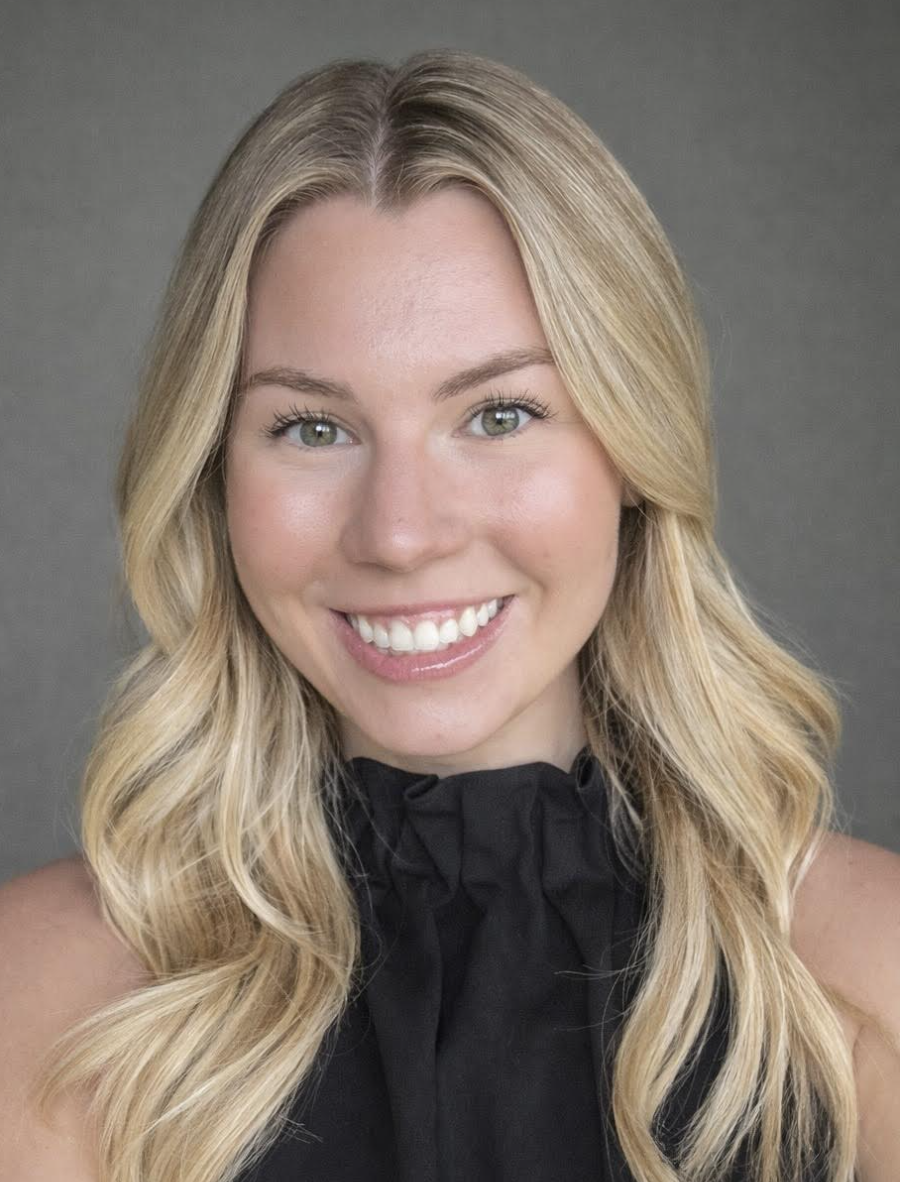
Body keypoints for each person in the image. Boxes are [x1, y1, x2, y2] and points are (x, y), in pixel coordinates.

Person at [0, 48, 897, 1182]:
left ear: (630, 445)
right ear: (212, 473)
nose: (403, 533)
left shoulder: (870, 986)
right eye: (312, 429)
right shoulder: (35, 1007)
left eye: (500, 414)